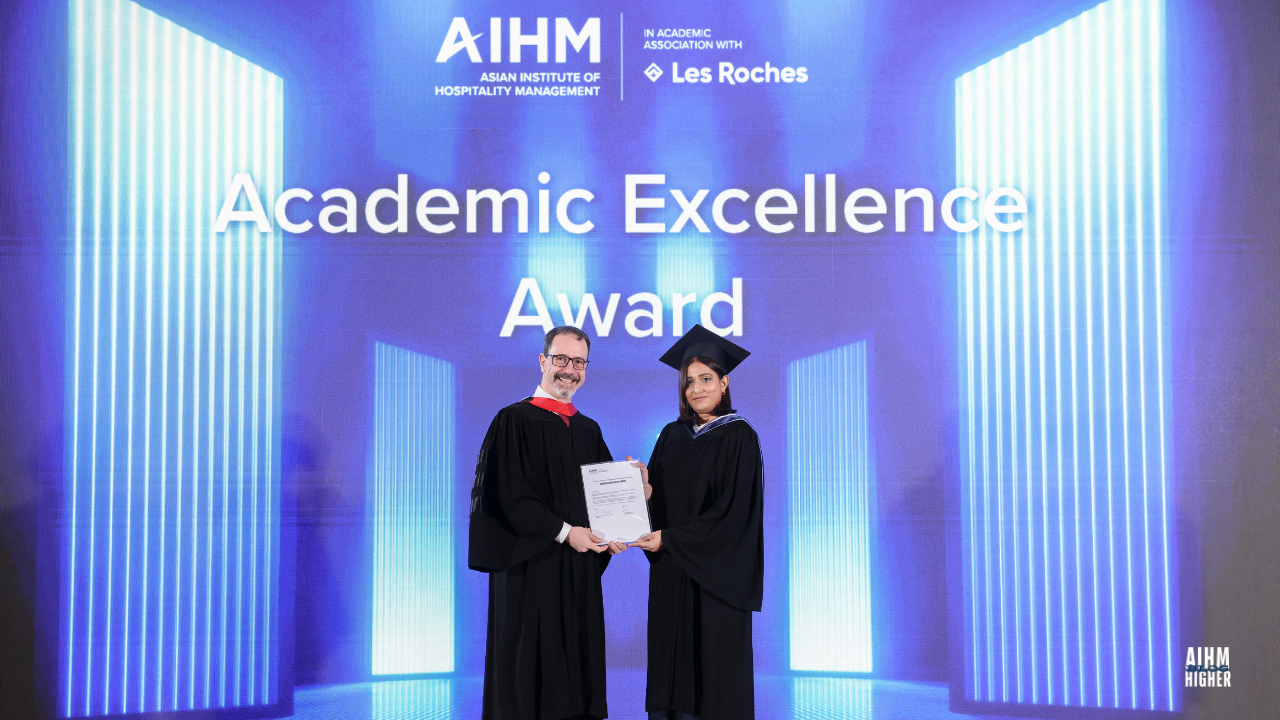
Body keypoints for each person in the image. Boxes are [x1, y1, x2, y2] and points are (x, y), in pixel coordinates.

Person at [468, 326, 628, 720]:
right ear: (543, 361)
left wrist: (617, 525)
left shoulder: (588, 429)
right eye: (561, 359)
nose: (569, 370)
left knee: (577, 673)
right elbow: (509, 495)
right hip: (530, 571)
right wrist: (567, 533)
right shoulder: (513, 420)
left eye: (579, 362)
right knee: (531, 678)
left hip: (578, 573)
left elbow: (604, 500)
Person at [631, 325, 765, 720]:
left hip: (715, 580)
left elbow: (734, 513)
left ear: (724, 383)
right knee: (672, 684)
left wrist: (670, 539)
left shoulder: (740, 437)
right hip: (672, 575)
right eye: (689, 381)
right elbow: (659, 507)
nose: (696, 389)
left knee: (712, 685)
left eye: (706, 379)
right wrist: (644, 494)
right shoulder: (672, 435)